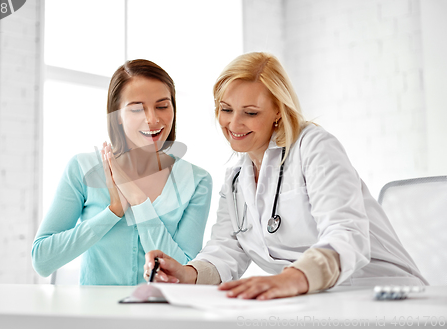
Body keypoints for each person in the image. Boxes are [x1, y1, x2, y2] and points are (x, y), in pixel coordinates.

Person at [143, 52, 427, 299]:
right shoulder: (235, 178)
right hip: (316, 299)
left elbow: (346, 234)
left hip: (380, 292)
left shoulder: (314, 147)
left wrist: (291, 278)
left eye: (251, 113)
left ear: (278, 111)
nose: (234, 123)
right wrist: (187, 273)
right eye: (226, 110)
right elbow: (226, 248)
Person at [32, 59, 212, 285]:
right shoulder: (82, 169)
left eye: (162, 106)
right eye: (137, 108)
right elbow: (42, 260)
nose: (152, 119)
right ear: (116, 115)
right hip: (97, 316)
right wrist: (113, 212)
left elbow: (183, 272)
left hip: (163, 315)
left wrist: (138, 201)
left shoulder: (197, 181)